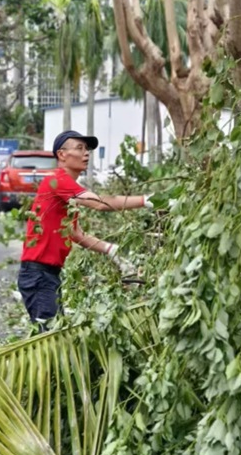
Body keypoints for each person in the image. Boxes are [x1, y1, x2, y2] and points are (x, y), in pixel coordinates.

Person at [17, 130, 155, 331]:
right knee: (50, 339)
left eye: (87, 149)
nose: (86, 153)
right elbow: (99, 203)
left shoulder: (67, 192)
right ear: (62, 155)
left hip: (48, 274)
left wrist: (111, 250)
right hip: (38, 274)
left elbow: (76, 235)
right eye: (79, 148)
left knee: (52, 336)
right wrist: (146, 200)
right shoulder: (57, 179)